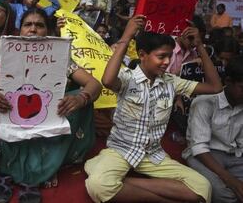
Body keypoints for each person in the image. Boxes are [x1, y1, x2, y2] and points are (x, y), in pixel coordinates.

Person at [0, 8, 102, 203]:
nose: (33, 29)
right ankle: (17, 170)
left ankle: (33, 172)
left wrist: (80, 99)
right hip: (9, 119)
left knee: (83, 103)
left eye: (39, 25)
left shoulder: (60, 59)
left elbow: (94, 84)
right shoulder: (3, 58)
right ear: (19, 30)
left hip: (45, 121)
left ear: (47, 32)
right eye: (28, 25)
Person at [85, 15, 223, 203]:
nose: (167, 62)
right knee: (98, 186)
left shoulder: (172, 82)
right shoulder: (127, 78)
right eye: (161, 56)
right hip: (121, 150)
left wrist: (199, 46)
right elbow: (108, 80)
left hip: (153, 155)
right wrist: (126, 36)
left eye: (169, 56)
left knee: (202, 188)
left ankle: (126, 183)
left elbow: (215, 87)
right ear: (142, 55)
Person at [183, 56, 243, 203]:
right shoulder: (204, 102)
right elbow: (199, 147)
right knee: (222, 194)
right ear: (228, 82)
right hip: (205, 154)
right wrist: (229, 179)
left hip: (234, 154)